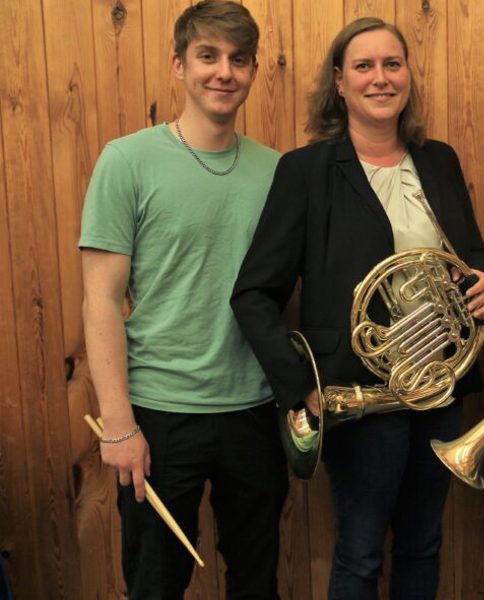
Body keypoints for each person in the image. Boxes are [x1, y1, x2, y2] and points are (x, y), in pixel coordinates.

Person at [230, 17, 484, 600]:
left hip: (438, 388)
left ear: (408, 77)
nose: (381, 78)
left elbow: (470, 256)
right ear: (340, 82)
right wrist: (301, 385)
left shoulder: (440, 160)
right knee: (360, 551)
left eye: (392, 65)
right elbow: (252, 295)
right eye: (365, 67)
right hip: (356, 394)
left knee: (425, 543)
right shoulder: (305, 171)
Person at [79, 1, 287, 597]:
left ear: (251, 72)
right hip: (157, 415)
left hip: (253, 410)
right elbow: (101, 300)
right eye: (208, 56)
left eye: (239, 60)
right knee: (155, 583)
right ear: (178, 65)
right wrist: (117, 422)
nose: (224, 72)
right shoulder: (127, 161)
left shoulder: (278, 172)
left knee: (256, 582)